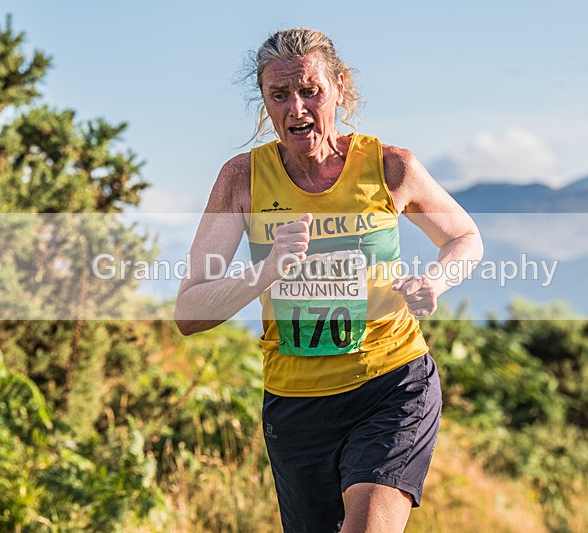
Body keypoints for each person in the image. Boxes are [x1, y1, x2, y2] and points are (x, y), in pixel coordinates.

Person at [175, 28, 482, 532]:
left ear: (339, 87)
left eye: (309, 91)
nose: (296, 108)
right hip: (296, 407)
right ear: (266, 103)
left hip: (391, 385)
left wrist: (438, 280)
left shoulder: (390, 167)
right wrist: (266, 270)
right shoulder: (242, 179)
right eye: (279, 96)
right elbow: (188, 312)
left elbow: (465, 237)